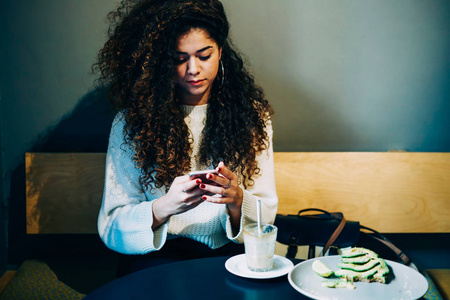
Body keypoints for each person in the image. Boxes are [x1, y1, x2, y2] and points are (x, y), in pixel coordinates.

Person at [94, 0, 278, 276]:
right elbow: (112, 224)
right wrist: (166, 206)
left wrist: (237, 200)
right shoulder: (131, 122)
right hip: (154, 260)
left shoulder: (252, 117)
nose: (193, 69)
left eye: (204, 56)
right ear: (159, 62)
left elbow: (266, 214)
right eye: (179, 59)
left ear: (221, 53)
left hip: (227, 258)